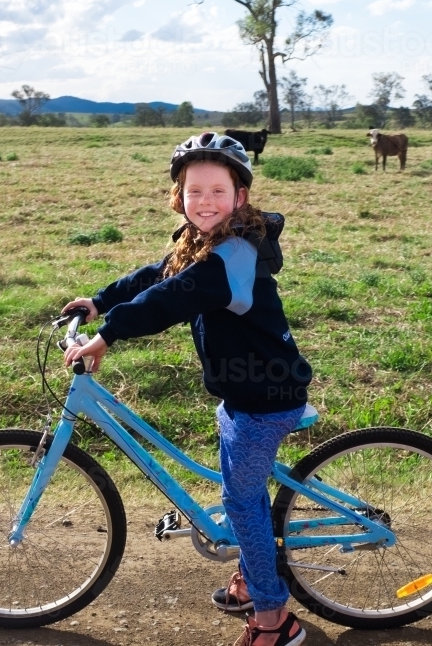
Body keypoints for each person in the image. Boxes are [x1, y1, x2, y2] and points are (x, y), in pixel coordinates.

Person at [62, 132, 312, 646]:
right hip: (239, 394)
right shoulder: (200, 240)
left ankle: (275, 621)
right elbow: (156, 275)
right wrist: (99, 301)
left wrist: (107, 335)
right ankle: (252, 574)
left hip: (266, 399)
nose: (206, 202)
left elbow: (174, 297)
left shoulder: (237, 252)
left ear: (240, 197)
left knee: (241, 500)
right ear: (179, 197)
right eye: (194, 191)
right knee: (245, 494)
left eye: (218, 192)